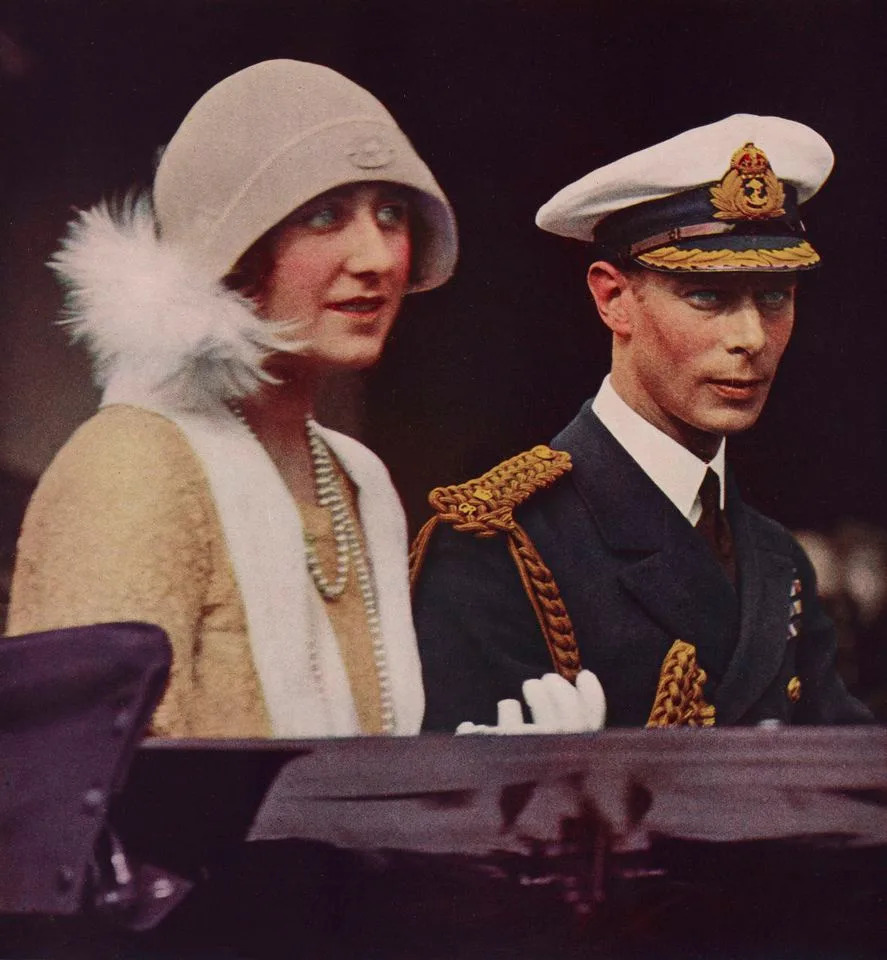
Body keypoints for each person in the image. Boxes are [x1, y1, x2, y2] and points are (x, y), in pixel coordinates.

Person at [7, 59, 458, 738]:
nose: (375, 257)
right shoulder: (132, 464)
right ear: (234, 245)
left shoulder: (354, 476)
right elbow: (82, 789)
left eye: (390, 214)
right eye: (324, 215)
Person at [412, 113, 874, 731]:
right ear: (613, 299)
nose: (751, 337)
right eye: (707, 296)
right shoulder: (500, 546)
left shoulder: (776, 558)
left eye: (775, 295)